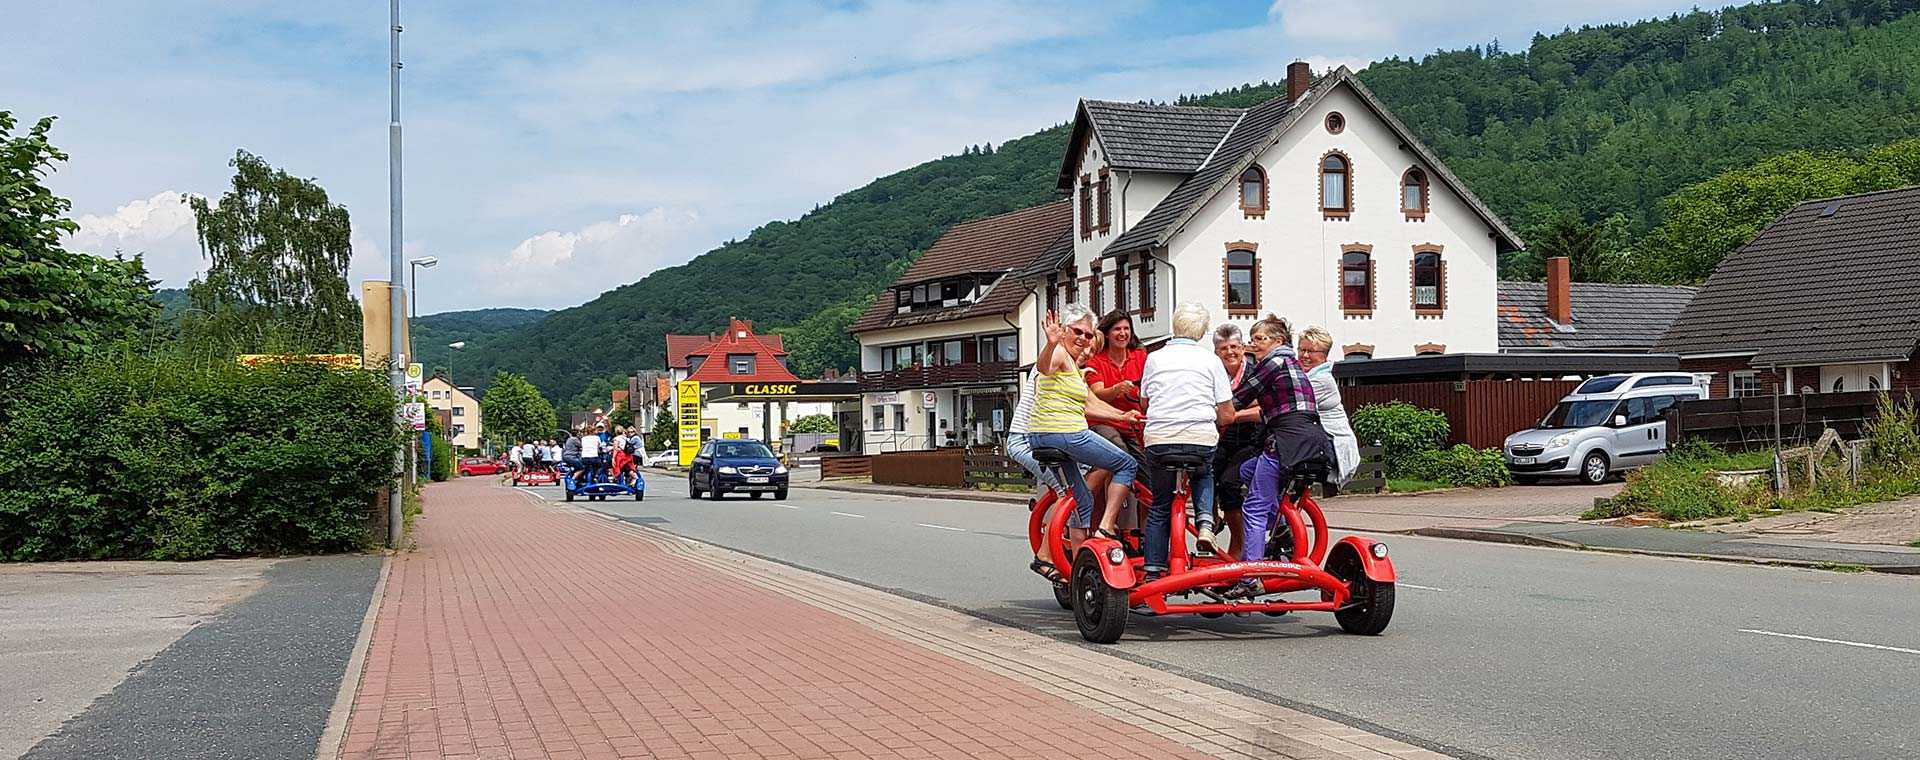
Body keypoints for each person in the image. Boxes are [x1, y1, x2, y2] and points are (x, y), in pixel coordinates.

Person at [1230, 315, 1335, 588]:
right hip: (1312, 441)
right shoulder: (1292, 365)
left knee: (1253, 508)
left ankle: (1249, 575)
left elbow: (1238, 398)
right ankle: (1281, 524)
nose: (1253, 344)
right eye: (1252, 339)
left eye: (1259, 339)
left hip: (1286, 444)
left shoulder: (1273, 362)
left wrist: (1211, 412)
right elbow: (1270, 410)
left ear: (1278, 341)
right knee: (1246, 470)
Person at [1026, 305, 1143, 549]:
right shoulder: (1058, 353)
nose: (1083, 339)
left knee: (1083, 501)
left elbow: (1091, 403)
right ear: (1065, 331)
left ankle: (1053, 559)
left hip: (1050, 434)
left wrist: (1123, 416)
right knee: (1127, 463)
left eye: (1088, 335)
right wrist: (1050, 342)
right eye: (1077, 331)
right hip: (1063, 432)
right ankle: (1106, 527)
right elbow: (1044, 366)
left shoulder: (1073, 367)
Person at [1138, 303, 1236, 580]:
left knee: (1159, 505)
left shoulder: (1154, 358)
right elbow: (1226, 414)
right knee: (1204, 472)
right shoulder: (1211, 360)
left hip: (1160, 439)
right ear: (1202, 331)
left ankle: (1153, 571)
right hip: (1199, 438)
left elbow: (1145, 401)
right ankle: (1205, 521)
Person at [1211, 324, 1263, 559]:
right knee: (1205, 472)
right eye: (1223, 348)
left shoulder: (1255, 373)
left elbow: (1264, 408)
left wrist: (1232, 414)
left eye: (1234, 347)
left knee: (1229, 482)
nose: (1229, 352)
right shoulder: (1214, 374)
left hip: (1251, 438)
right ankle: (1211, 520)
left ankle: (1239, 543)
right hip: (1224, 437)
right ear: (1216, 352)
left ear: (1243, 348)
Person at [1298, 326, 1360, 485]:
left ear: (1324, 355)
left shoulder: (1321, 380)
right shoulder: (1305, 376)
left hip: (1332, 447)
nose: (1304, 355)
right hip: (1318, 442)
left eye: (1310, 351)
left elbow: (1290, 403)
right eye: (1301, 350)